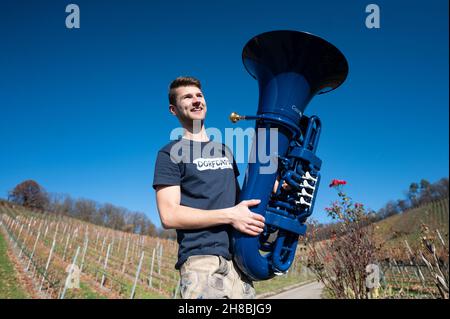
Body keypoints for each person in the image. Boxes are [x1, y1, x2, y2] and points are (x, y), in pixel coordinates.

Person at [152, 76, 266, 299]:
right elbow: (169, 216)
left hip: (240, 263)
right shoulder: (169, 153)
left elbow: (239, 202)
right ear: (173, 110)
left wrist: (269, 190)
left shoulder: (224, 151)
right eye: (187, 97)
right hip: (201, 262)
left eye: (199, 95)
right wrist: (230, 216)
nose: (196, 100)